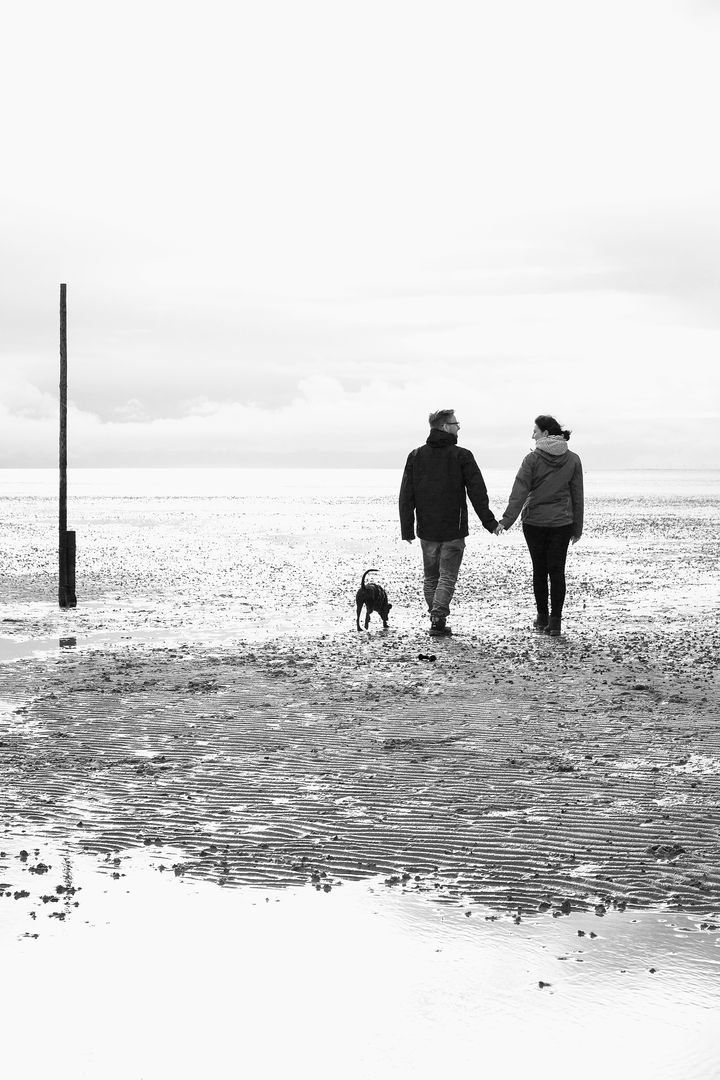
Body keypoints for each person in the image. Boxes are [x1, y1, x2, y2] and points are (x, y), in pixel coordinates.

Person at [399, 409, 498, 637]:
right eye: (455, 423)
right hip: (453, 528)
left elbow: (406, 495)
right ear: (444, 427)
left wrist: (407, 529)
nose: (458, 427)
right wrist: (490, 522)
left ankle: (436, 618)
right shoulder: (462, 455)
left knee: (432, 577)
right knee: (446, 577)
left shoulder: (416, 455)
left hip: (427, 528)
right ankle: (437, 618)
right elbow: (477, 492)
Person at [495, 415, 584, 637]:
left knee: (540, 570)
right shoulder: (573, 459)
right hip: (562, 522)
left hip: (534, 522)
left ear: (545, 433)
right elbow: (577, 496)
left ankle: (542, 616)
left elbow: (519, 491)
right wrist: (577, 528)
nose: (532, 435)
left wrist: (506, 521)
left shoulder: (532, 459)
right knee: (557, 571)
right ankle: (555, 622)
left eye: (535, 431)